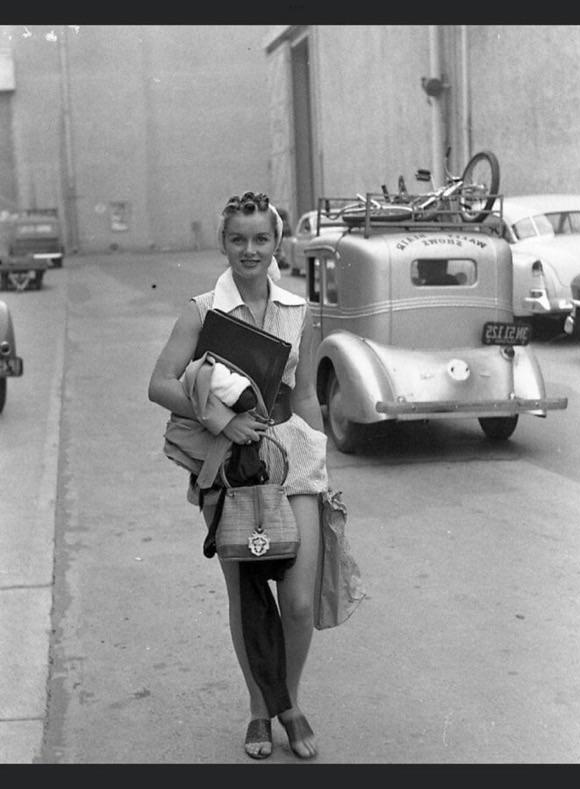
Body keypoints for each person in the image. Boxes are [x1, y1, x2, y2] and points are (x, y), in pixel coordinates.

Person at [148, 191, 328, 761]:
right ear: (223, 243)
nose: (249, 250)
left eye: (261, 239)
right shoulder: (203, 311)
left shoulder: (299, 311)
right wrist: (220, 418)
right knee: (248, 594)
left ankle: (287, 701)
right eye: (238, 239)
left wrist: (325, 469)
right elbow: (160, 383)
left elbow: (304, 397)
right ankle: (260, 712)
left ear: (277, 244)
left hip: (292, 457)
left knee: (297, 600)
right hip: (228, 468)